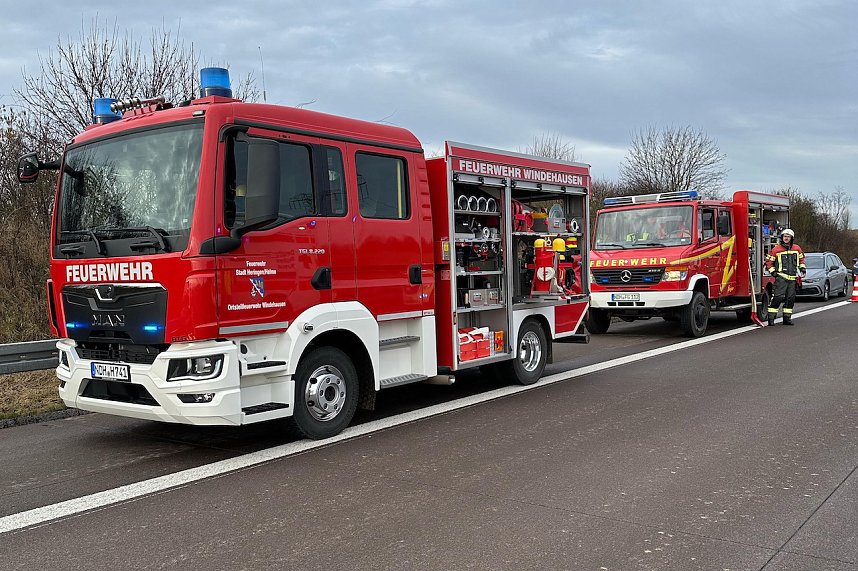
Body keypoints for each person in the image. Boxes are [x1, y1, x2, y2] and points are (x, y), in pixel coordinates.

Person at [765, 228, 806, 326]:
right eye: (784, 236)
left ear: (791, 238)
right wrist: (773, 272)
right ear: (782, 237)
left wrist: (803, 269)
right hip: (781, 278)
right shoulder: (776, 249)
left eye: (788, 237)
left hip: (792, 278)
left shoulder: (797, 248)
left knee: (790, 299)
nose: (786, 238)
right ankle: (771, 318)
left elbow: (801, 260)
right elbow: (769, 262)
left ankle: (787, 319)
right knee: (778, 298)